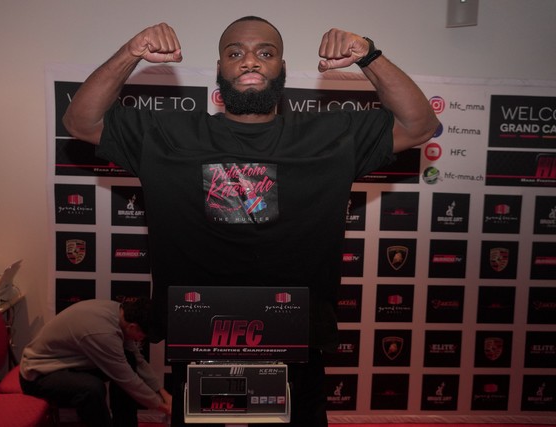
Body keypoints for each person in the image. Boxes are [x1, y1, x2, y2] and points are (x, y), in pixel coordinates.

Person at [62, 16, 440, 426]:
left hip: (296, 340)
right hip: (200, 337)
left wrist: (369, 55)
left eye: (265, 52)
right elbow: (80, 122)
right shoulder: (168, 133)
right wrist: (130, 52)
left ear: (282, 67)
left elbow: (419, 124)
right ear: (220, 68)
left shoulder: (330, 135)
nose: (250, 61)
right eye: (235, 53)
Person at [19, 297, 172, 427]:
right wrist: (162, 406)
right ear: (133, 327)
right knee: (92, 389)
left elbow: (138, 360)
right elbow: (128, 380)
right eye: (142, 337)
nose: (140, 340)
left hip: (65, 364)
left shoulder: (119, 313)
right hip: (38, 374)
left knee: (130, 359)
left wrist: (163, 393)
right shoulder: (104, 333)